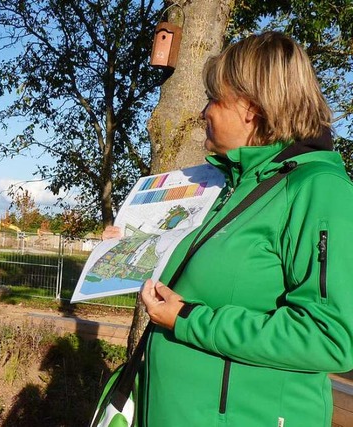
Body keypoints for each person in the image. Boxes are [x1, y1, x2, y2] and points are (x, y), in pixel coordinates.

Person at [105, 32, 353, 426]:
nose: (205, 112)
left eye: (214, 99)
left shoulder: (319, 191)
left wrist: (189, 320)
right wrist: (128, 248)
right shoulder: (227, 185)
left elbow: (329, 337)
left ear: (251, 109)